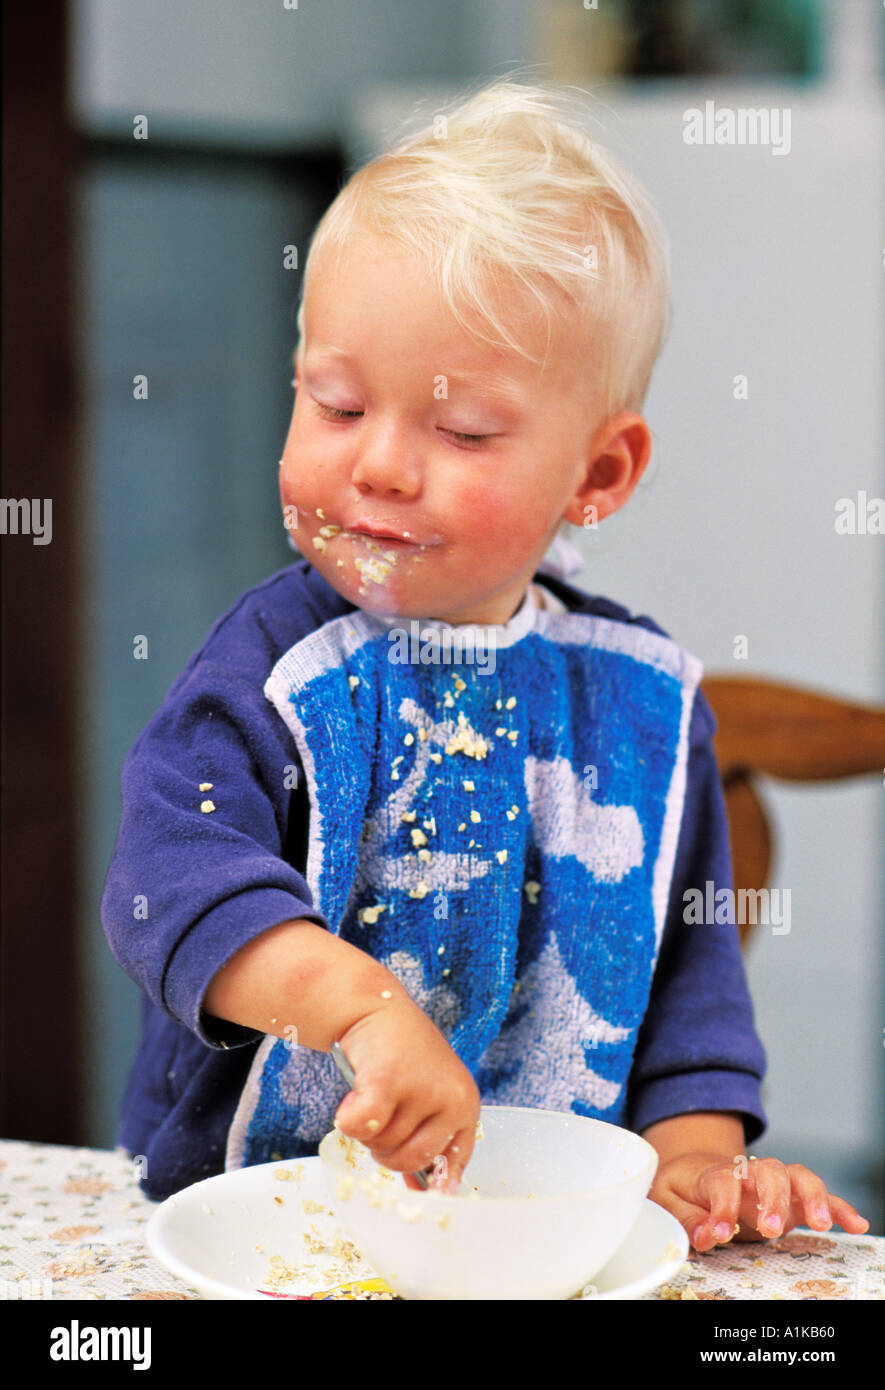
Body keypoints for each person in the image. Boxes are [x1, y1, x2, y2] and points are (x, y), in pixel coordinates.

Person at [101, 77, 869, 1254]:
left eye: (460, 432)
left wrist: (703, 1162)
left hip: (536, 1242)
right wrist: (361, 1008)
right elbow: (173, 888)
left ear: (599, 476)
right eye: (337, 403)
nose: (383, 467)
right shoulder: (272, 676)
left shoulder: (645, 707)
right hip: (265, 1226)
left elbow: (690, 995)